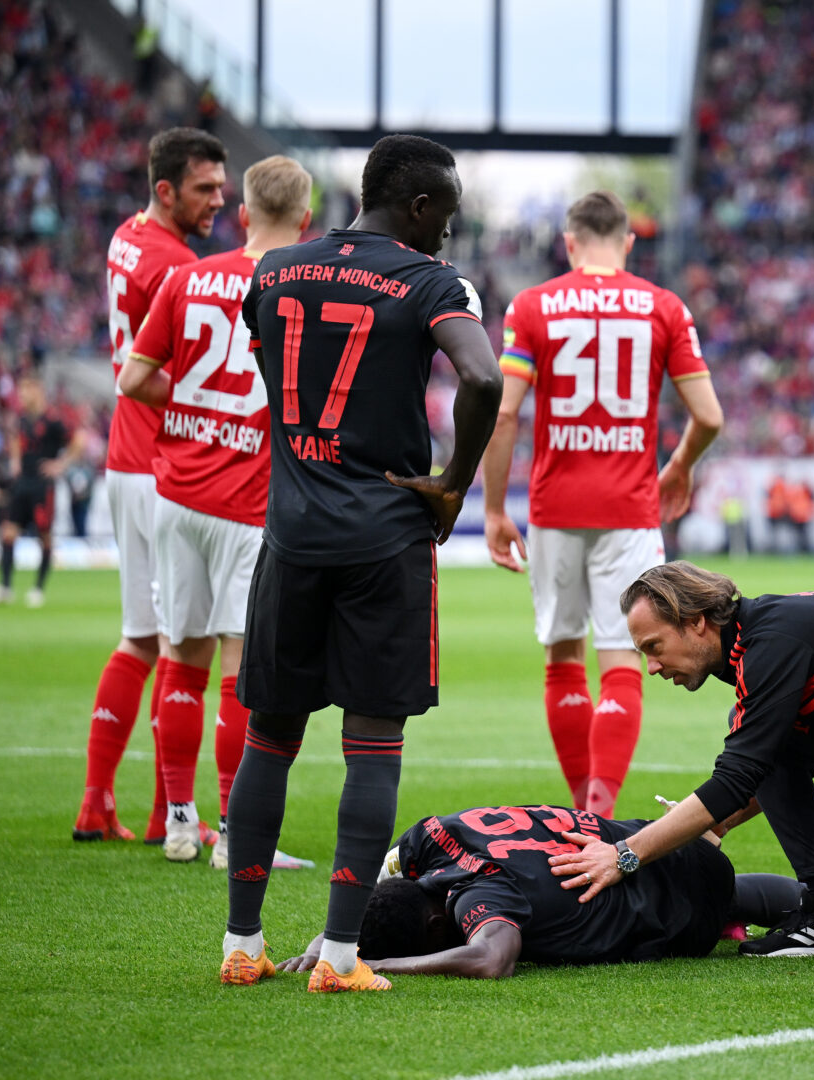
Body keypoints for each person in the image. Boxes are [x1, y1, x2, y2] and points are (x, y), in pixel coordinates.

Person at [219, 134, 504, 992]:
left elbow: (269, 360)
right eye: (445, 214)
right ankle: (341, 958)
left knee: (269, 737)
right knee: (372, 744)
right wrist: (452, 485)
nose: (448, 232)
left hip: (292, 533)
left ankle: (241, 946)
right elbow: (482, 379)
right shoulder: (430, 281)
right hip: (383, 540)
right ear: (417, 206)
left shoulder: (274, 271)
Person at [481, 190, 723, 818]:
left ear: (569, 242)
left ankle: (577, 812)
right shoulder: (662, 307)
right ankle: (600, 810)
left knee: (563, 654)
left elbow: (504, 414)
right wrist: (679, 466)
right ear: (628, 242)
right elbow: (708, 416)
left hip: (555, 507)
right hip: (629, 507)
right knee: (623, 656)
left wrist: (494, 509)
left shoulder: (533, 305)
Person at [118, 155, 315, 870]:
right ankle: (234, 834)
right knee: (240, 669)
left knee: (180, 657)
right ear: (305, 221)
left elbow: (133, 377)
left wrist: (194, 410)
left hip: (176, 495)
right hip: (245, 502)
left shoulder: (186, 277)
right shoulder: (299, 290)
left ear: (242, 214)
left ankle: (180, 823)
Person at [613, 561, 814, 956]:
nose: (651, 667)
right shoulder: (756, 638)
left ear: (696, 621)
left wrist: (623, 855)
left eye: (654, 647)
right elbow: (767, 760)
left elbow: (736, 778)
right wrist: (718, 824)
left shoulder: (770, 642)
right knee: (759, 731)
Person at [74, 127, 226, 845]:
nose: (217, 201)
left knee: (139, 638)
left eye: (222, 188)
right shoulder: (178, 264)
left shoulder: (126, 238)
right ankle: (174, 811)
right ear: (165, 190)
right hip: (162, 469)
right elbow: (184, 378)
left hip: (123, 460)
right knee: (181, 649)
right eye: (204, 189)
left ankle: (95, 801)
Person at [267, 804, 807, 983]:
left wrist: (383, 963)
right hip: (654, 839)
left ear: (434, 926)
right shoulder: (428, 838)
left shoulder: (476, 898)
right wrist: (331, 942)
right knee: (730, 894)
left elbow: (491, 959)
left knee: (720, 902)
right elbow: (371, 883)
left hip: (678, 902)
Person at [0, 374, 83, 609]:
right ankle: (5, 587)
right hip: (22, 484)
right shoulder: (22, 419)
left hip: (42, 485)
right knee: (8, 532)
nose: (22, 396)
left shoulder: (53, 420)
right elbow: (15, 439)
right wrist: (16, 461)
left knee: (44, 536)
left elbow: (79, 440)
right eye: (21, 391)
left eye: (26, 390)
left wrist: (61, 465)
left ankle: (38, 589)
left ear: (38, 390)